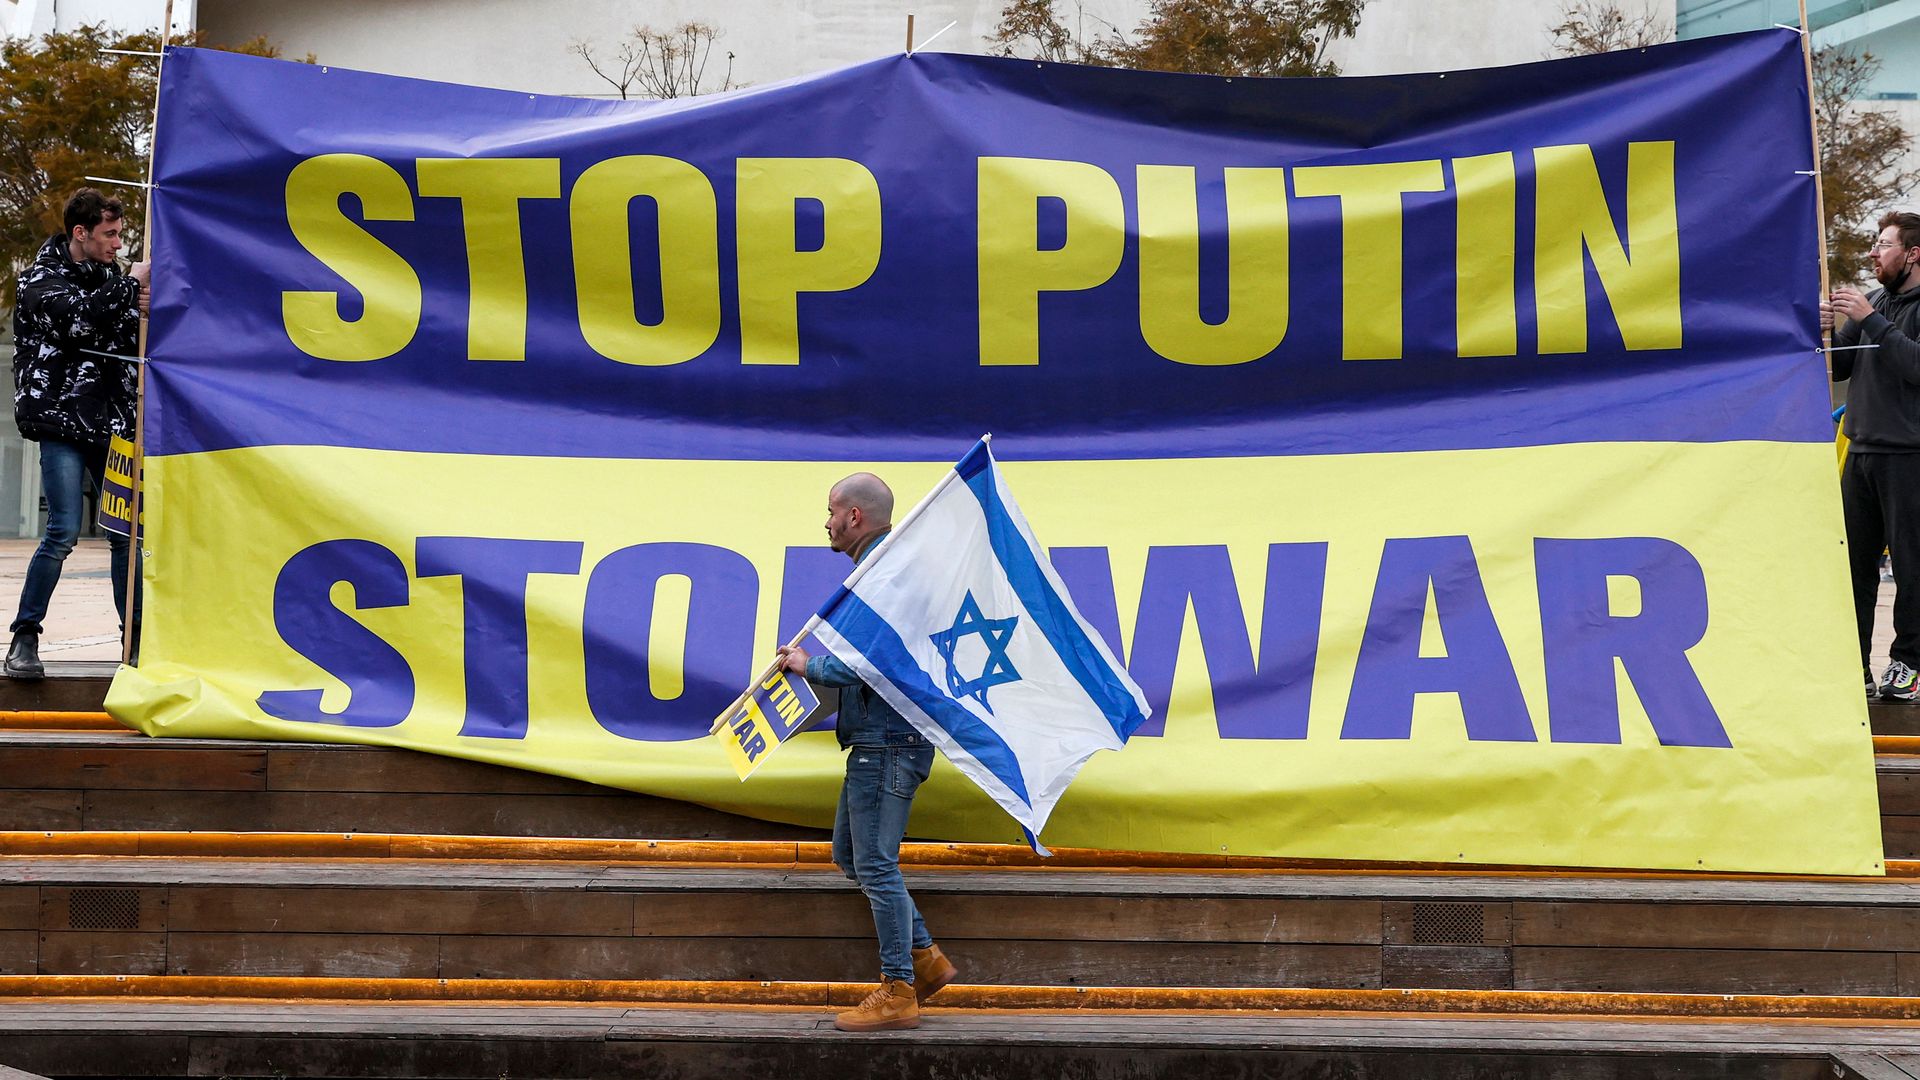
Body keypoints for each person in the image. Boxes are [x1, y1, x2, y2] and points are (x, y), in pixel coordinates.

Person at [775, 472, 959, 1032]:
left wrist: (814, 667)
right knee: (851, 856)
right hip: (878, 742)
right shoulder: (879, 572)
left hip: (888, 744)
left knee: (875, 863)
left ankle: (899, 988)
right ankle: (926, 958)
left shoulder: (886, 575)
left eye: (831, 510)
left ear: (854, 516)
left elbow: (882, 664)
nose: (826, 521)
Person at [5, 188, 146, 679]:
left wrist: (144, 305)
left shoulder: (111, 280)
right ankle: (25, 638)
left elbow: (127, 331)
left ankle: (136, 646)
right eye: (109, 235)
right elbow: (80, 321)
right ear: (80, 233)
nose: (118, 245)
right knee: (62, 530)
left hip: (112, 424)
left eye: (120, 235)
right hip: (61, 423)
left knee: (126, 536)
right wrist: (131, 287)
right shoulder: (38, 282)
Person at [1825, 210, 1920, 702]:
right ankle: (1854, 664)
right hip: (1861, 451)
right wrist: (1830, 329)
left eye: (1883, 244)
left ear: (1912, 253)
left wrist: (1871, 320)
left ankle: (1907, 665)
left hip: (1909, 457)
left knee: (1911, 568)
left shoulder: (1886, 310)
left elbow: (1914, 365)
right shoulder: (1876, 302)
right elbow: (1841, 364)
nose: (1872, 252)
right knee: (1854, 567)